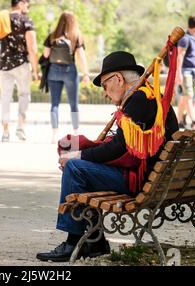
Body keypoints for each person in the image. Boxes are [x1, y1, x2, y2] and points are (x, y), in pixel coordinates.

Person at [36, 51, 179, 262]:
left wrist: (78, 156)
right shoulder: (148, 95)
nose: (104, 92)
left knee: (75, 169)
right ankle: (94, 241)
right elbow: (121, 146)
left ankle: (74, 241)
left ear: (118, 79)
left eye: (104, 85)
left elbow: (118, 148)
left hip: (141, 181)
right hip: (155, 179)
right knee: (79, 168)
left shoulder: (139, 99)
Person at [0, 0, 39, 142]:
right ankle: (20, 128)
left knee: (5, 97)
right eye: (27, 4)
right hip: (22, 65)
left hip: (4, 66)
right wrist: (35, 70)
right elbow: (32, 47)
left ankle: (5, 131)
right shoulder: (26, 20)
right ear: (21, 3)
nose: (28, 7)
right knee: (24, 95)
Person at [43, 11, 90, 143]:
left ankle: (54, 133)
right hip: (70, 71)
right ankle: (76, 132)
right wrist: (85, 73)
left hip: (53, 72)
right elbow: (81, 56)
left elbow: (46, 55)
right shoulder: (76, 36)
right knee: (73, 104)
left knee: (54, 104)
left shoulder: (52, 36)